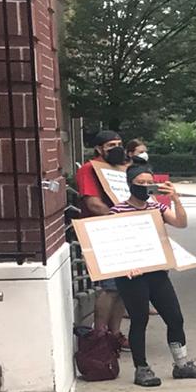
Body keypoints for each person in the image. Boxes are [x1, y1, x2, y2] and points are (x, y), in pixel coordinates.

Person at [111, 165, 196, 387]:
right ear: (130, 184)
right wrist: (125, 266)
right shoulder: (116, 211)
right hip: (132, 276)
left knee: (175, 317)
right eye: (141, 182)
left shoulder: (156, 207)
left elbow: (180, 223)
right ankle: (142, 368)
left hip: (157, 271)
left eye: (150, 182)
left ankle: (182, 364)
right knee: (140, 320)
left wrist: (175, 199)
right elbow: (112, 245)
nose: (146, 187)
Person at [73, 130, 131, 338]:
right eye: (110, 145)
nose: (116, 148)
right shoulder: (90, 170)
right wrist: (121, 215)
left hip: (125, 232)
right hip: (103, 232)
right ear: (99, 149)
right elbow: (93, 203)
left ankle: (115, 335)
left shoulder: (122, 169)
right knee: (111, 288)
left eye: (119, 143)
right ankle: (100, 335)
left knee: (125, 287)